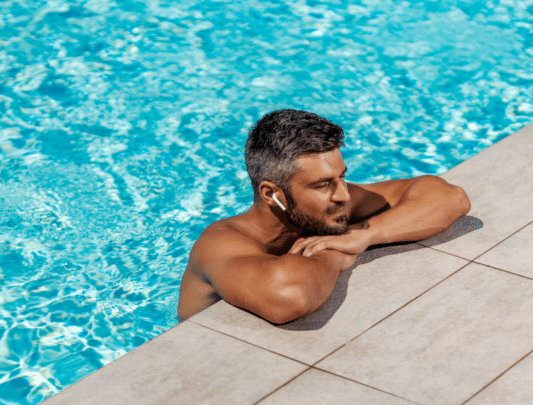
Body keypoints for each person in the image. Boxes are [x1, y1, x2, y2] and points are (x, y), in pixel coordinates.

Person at [177, 109, 471, 324]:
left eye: (341, 177)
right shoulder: (219, 245)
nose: (343, 195)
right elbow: (289, 296)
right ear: (272, 194)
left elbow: (448, 197)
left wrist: (364, 236)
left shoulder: (324, 207)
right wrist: (332, 253)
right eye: (323, 184)